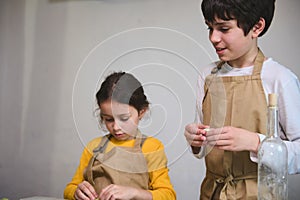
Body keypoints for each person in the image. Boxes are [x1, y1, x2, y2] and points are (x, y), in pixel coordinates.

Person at [184, 0, 300, 199]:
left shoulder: (279, 78)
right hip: (212, 193)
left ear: (256, 27)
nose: (213, 37)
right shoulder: (207, 76)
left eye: (224, 28)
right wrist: (195, 140)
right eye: (210, 28)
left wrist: (256, 142)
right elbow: (203, 149)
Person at [64, 72, 176, 200]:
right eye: (109, 119)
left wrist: (134, 193)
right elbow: (70, 188)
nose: (116, 127)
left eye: (124, 118)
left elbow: (169, 195)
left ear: (141, 112)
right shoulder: (94, 147)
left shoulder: (152, 147)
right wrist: (76, 192)